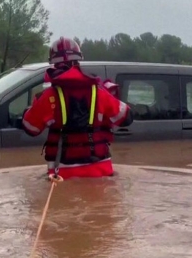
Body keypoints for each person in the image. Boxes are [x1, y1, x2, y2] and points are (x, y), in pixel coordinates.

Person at [20, 37, 133, 180]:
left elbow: (31, 128)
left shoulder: (48, 97)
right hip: (100, 171)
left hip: (62, 173)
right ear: (78, 62)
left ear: (53, 64)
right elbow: (127, 117)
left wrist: (29, 111)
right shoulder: (98, 92)